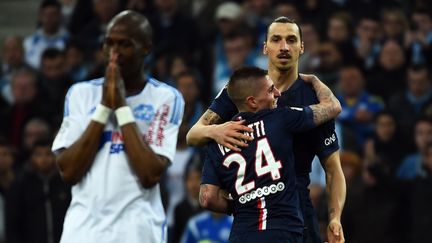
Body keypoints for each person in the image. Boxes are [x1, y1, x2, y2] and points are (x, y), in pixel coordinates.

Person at [187, 17, 346, 243]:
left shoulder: (311, 97)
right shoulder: (240, 90)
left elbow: (333, 169)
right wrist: (215, 131)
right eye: (276, 40)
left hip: (295, 209)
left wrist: (335, 217)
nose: (284, 47)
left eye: (291, 40)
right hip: (255, 212)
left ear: (301, 47)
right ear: (265, 47)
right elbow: (193, 134)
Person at [51, 10, 184, 243]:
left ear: (146, 48)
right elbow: (68, 171)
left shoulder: (165, 98)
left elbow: (150, 173)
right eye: (109, 43)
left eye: (125, 45)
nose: (115, 53)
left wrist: (121, 107)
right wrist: (104, 108)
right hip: (82, 230)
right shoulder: (80, 94)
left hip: (136, 230)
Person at [199, 66, 341, 242]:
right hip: (283, 230)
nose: (278, 94)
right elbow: (333, 107)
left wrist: (241, 205)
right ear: (252, 101)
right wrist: (315, 80)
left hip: (242, 234)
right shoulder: (281, 118)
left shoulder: (216, 142)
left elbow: (207, 198)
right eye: (270, 90)